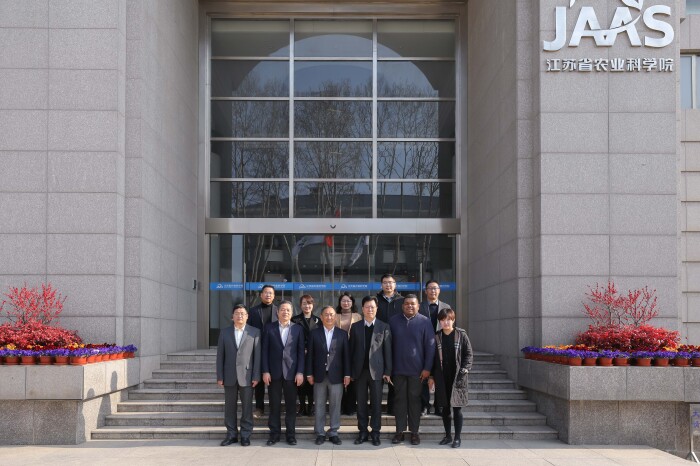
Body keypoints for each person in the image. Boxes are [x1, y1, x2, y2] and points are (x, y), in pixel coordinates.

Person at [389, 294, 435, 446]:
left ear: (418, 306)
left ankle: (415, 432)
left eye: (413, 304)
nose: (410, 306)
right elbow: (388, 346)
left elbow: (430, 347)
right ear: (402, 306)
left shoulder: (425, 321)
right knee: (399, 402)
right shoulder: (393, 321)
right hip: (398, 370)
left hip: (418, 372)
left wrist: (427, 368)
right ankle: (399, 431)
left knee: (415, 402)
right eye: (407, 303)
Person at [216, 304, 261, 447]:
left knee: (247, 408)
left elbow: (257, 356)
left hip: (247, 376)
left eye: (242, 313)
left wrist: (256, 376)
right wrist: (220, 376)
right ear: (232, 316)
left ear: (247, 316)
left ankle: (246, 435)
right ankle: (231, 435)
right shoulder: (225, 332)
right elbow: (220, 356)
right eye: (237, 313)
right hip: (229, 375)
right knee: (230, 407)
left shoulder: (254, 332)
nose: (239, 315)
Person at [350, 296, 392, 446]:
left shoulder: (383, 326)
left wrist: (388, 371)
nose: (370, 309)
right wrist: (350, 372)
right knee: (361, 404)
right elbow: (351, 350)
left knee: (376, 404)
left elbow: (388, 351)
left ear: (377, 309)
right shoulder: (355, 327)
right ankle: (362, 432)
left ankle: (375, 432)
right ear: (362, 309)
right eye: (367, 307)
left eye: (372, 307)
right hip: (360, 372)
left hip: (377, 372)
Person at [262, 301, 305, 446]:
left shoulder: (297, 329)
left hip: (291, 374)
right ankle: (274, 435)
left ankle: (290, 435)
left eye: (288, 310)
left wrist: (300, 372)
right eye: (282, 310)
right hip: (273, 373)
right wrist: (265, 371)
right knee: (274, 406)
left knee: (291, 407)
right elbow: (264, 351)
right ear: (277, 312)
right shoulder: (269, 328)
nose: (285, 312)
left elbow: (301, 353)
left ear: (291, 313)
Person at [428, 308, 473, 448]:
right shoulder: (436, 336)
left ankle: (457, 438)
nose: (446, 322)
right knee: (445, 408)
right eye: (443, 320)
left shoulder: (461, 335)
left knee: (457, 409)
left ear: (453, 320)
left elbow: (468, 354)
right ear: (439, 322)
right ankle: (448, 436)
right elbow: (432, 358)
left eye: (448, 319)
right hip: (441, 377)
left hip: (457, 377)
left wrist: (465, 369)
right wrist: (431, 376)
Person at [306, 306, 351, 446]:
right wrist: (309, 373)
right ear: (321, 316)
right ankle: (320, 433)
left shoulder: (342, 334)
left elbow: (346, 356)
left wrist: (347, 374)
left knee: (335, 405)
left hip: (337, 376)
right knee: (319, 405)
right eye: (326, 314)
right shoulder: (314, 333)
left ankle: (333, 432)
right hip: (319, 376)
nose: (329, 317)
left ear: (335, 316)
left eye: (332, 314)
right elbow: (310, 356)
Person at [419, 280, 452, 416]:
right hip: (423, 346)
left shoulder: (446, 306)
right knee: (423, 377)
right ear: (425, 291)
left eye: (435, 288)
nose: (433, 291)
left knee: (440, 376)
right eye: (430, 288)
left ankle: (439, 405)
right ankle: (424, 405)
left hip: (441, 346)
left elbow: (450, 325)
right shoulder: (420, 306)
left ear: (439, 290)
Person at [247, 285, 278, 417]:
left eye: (270, 293)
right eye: (265, 292)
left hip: (274, 350)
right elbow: (248, 330)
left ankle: (273, 407)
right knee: (258, 380)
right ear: (261, 295)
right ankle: (259, 408)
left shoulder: (278, 311)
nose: (268, 295)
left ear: (274, 296)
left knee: (274, 381)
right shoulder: (253, 311)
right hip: (257, 349)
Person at [375, 274, 404, 415]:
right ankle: (376, 408)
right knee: (378, 374)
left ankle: (393, 408)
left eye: (391, 282)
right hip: (378, 341)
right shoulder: (375, 300)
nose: (388, 285)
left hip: (397, 341)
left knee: (395, 375)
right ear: (381, 285)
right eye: (385, 282)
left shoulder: (402, 301)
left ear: (395, 285)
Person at [291, 294, 320, 416]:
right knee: (301, 383)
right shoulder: (294, 320)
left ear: (313, 305)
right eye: (304, 303)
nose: (307, 306)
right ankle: (302, 407)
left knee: (312, 382)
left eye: (309, 303)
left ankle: (311, 407)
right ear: (300, 305)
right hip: (299, 355)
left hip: (314, 356)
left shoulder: (318, 320)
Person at [335, 292, 361, 415]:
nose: (346, 303)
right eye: (343, 301)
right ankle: (340, 406)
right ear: (340, 303)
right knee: (339, 381)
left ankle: (350, 407)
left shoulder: (358, 316)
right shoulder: (335, 316)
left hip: (353, 351)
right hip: (338, 352)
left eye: (348, 301)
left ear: (352, 303)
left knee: (352, 381)